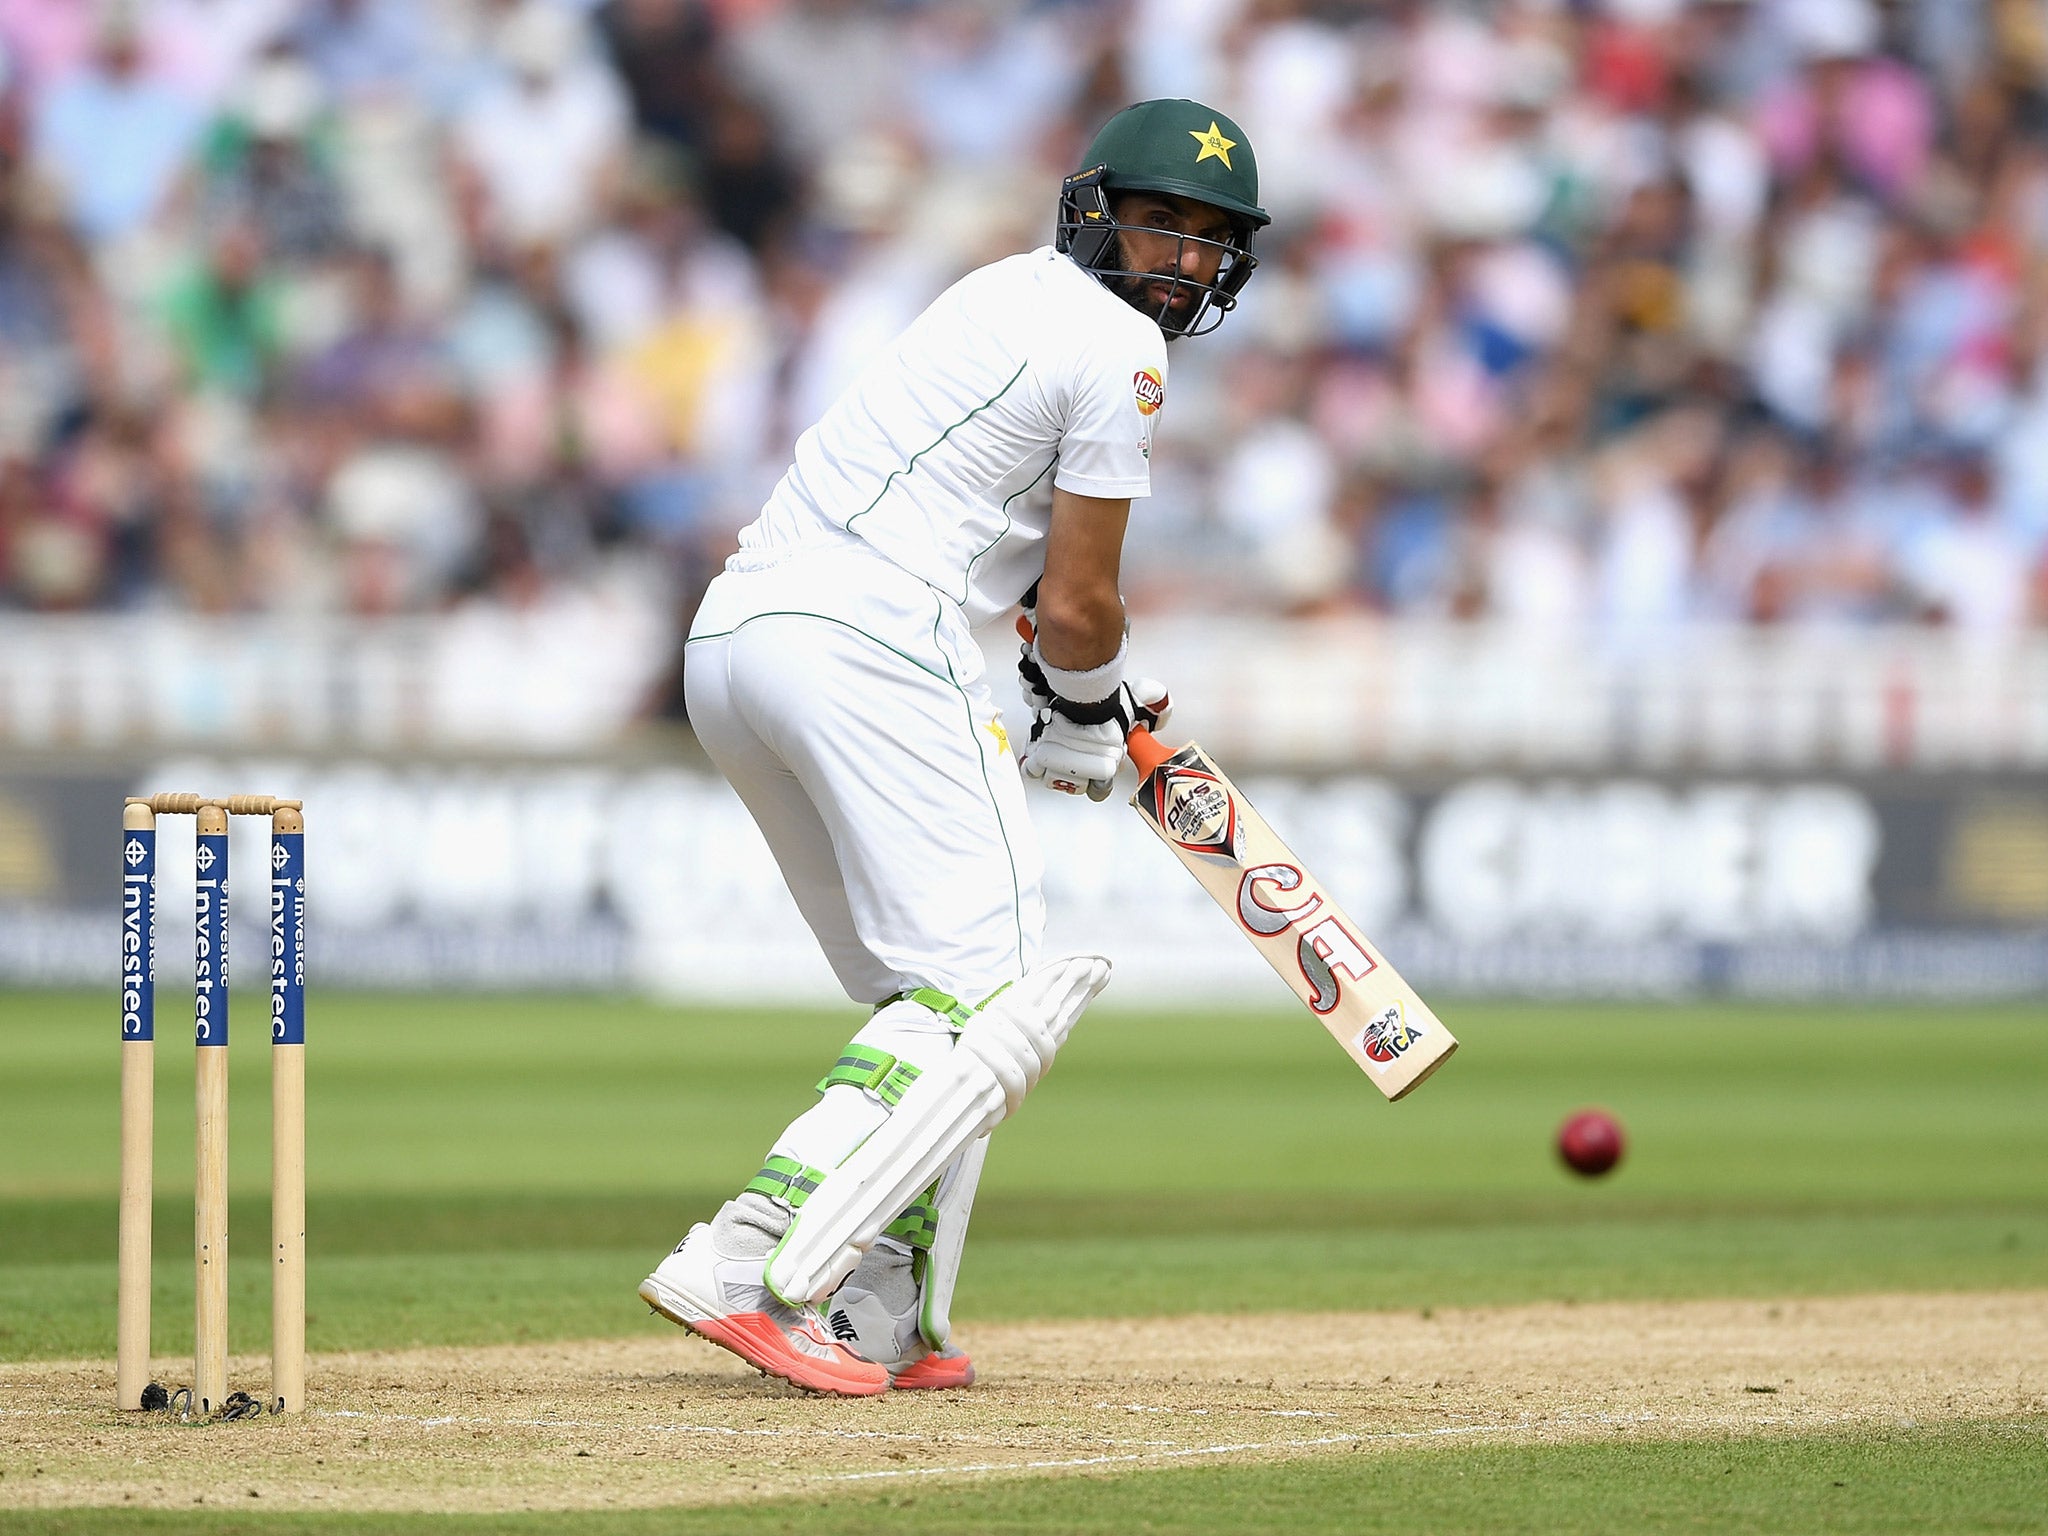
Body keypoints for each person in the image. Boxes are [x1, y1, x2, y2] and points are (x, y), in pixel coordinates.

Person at [639, 99, 1269, 1395]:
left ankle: (885, 1308)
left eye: (1210, 240)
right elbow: (1083, 600)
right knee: (982, 997)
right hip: (865, 643)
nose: (1184, 259)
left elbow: (1025, 572)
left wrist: (1065, 681)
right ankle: (749, 1252)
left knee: (931, 995)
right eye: (1163, 223)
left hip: (735, 640)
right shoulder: (1121, 351)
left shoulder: (999, 294)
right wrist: (1081, 707)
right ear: (1097, 209)